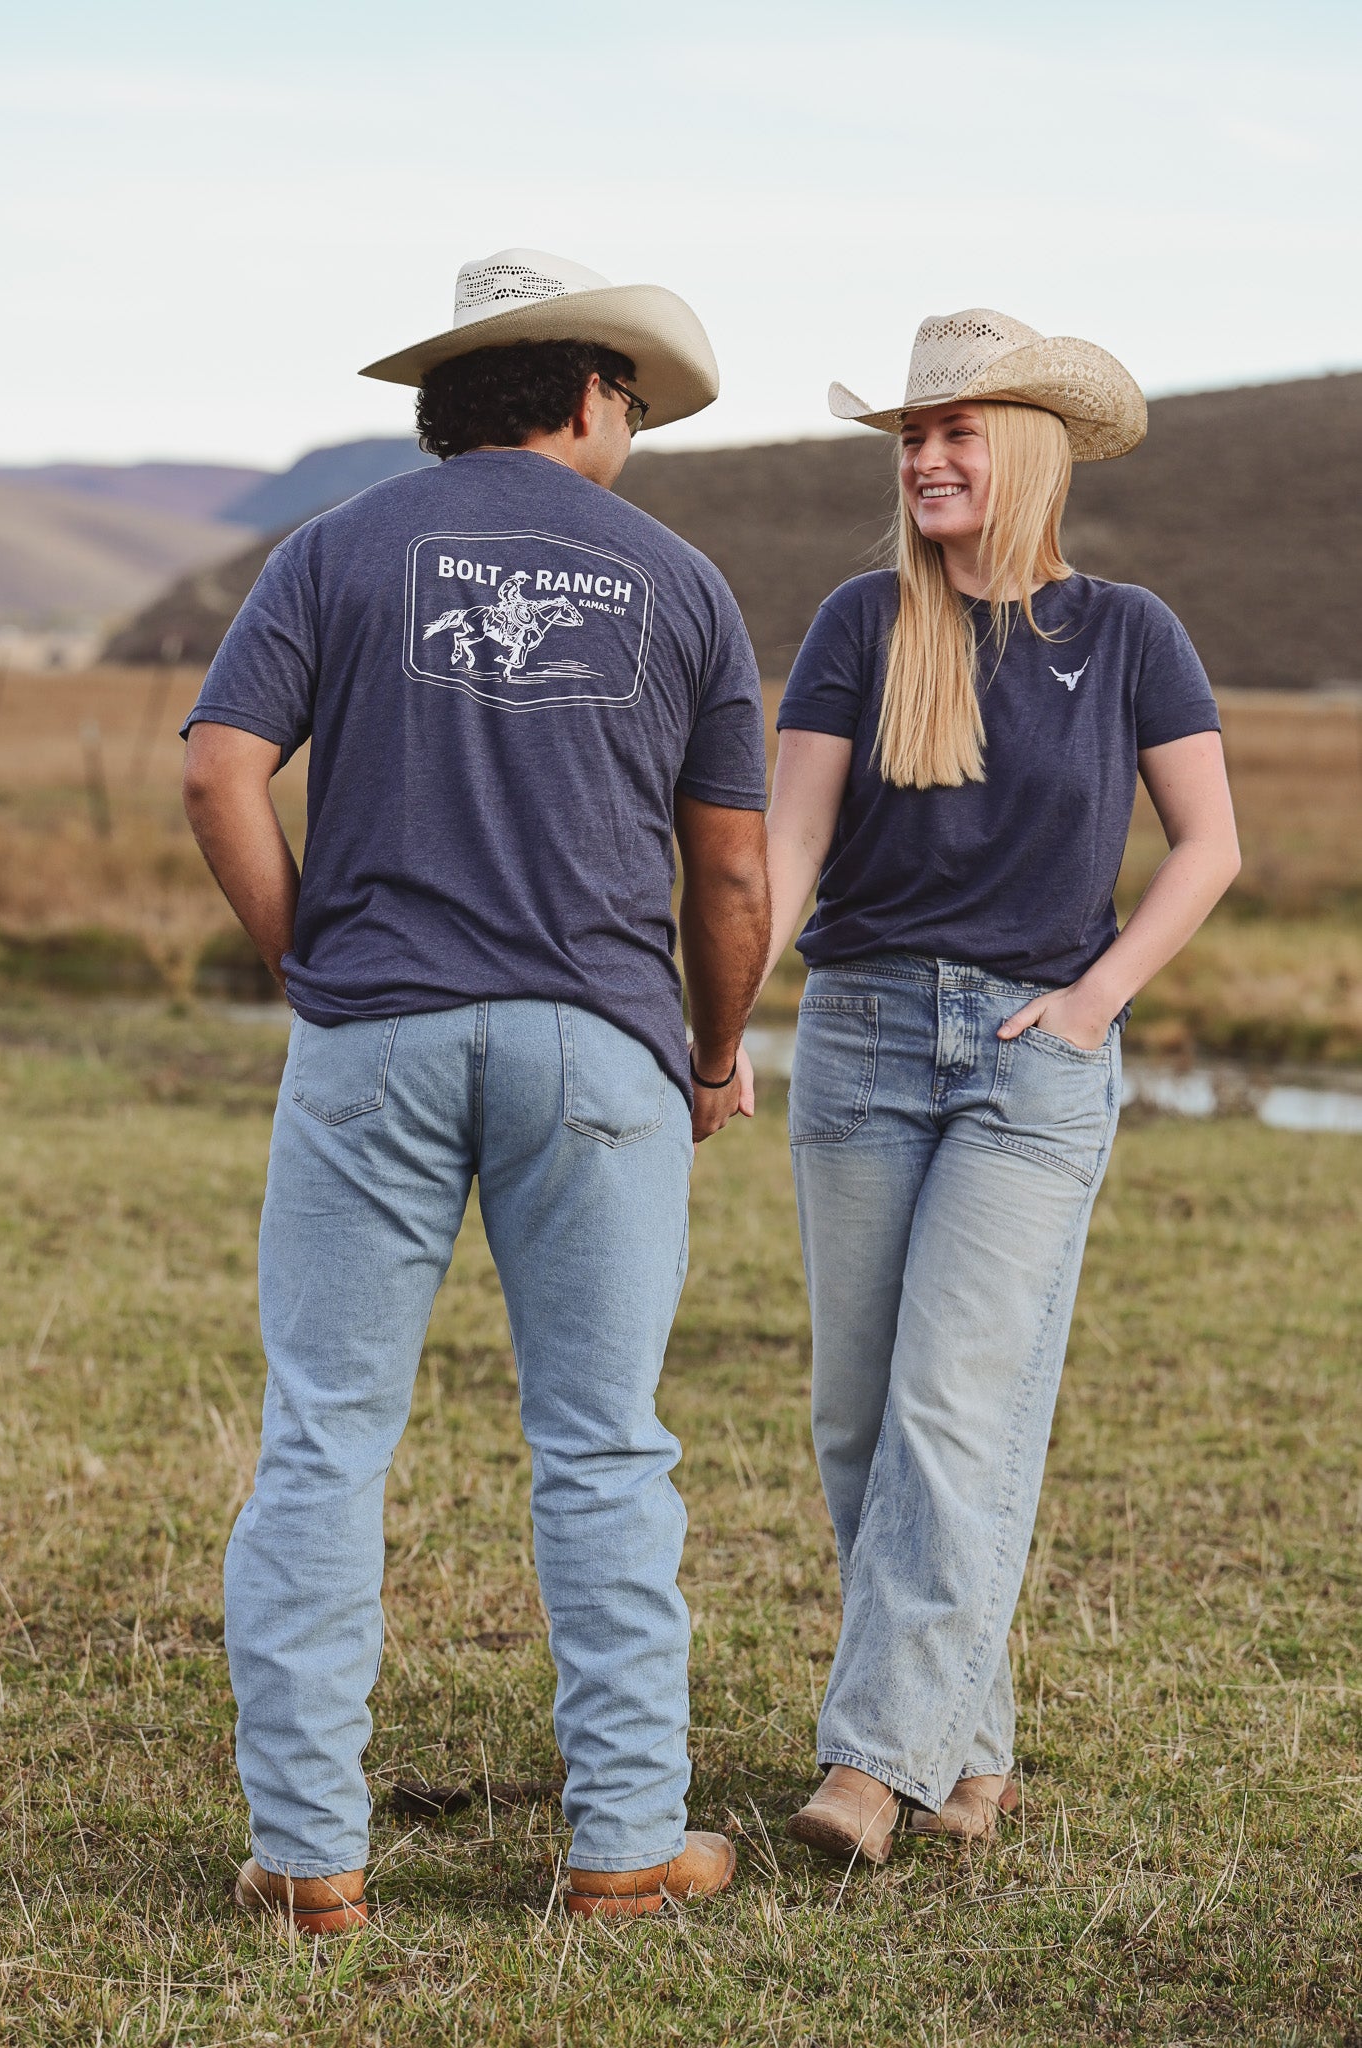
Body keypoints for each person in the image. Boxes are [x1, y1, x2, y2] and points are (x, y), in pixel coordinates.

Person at [180, 247, 770, 1929]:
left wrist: (311, 962)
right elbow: (727, 877)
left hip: (374, 1033)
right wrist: (714, 1053)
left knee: (322, 1445)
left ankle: (307, 1860)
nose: (635, 431)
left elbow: (221, 766)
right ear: (587, 397)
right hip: (595, 1046)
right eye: (634, 405)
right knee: (601, 1450)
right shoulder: (680, 579)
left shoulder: (332, 548)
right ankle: (622, 1849)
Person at [760, 309, 1240, 1864]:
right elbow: (786, 846)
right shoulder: (859, 623)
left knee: (951, 1406)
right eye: (911, 436)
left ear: (1024, 449)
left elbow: (1210, 847)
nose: (925, 458)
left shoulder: (1128, 632)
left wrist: (1096, 1001)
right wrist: (715, 1008)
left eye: (956, 431)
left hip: (1030, 1060)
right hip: (859, 1036)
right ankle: (969, 1752)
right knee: (858, 1420)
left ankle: (868, 1770)